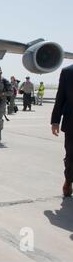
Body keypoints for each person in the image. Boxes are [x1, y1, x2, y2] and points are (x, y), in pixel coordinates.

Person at [51, 65, 73, 197]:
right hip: (72, 122)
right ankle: (69, 180)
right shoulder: (68, 72)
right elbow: (60, 97)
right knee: (71, 156)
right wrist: (55, 121)